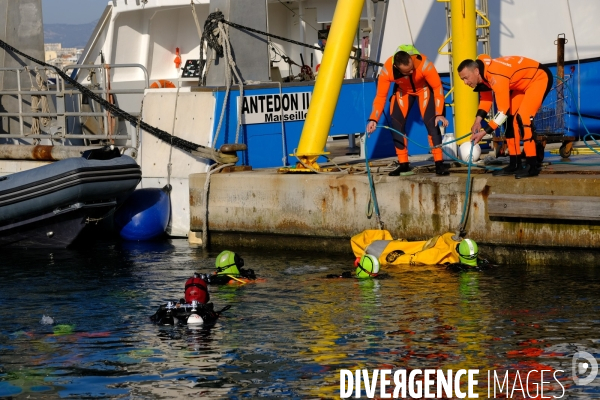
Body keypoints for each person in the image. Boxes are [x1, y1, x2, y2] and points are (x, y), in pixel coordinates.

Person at [457, 55, 553, 178]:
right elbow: (486, 100)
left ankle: (531, 165)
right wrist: (477, 121)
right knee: (510, 120)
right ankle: (515, 163)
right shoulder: (482, 75)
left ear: (476, 71)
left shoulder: (495, 76)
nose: (465, 82)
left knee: (523, 118)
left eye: (466, 78)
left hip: (538, 78)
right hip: (522, 84)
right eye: (462, 80)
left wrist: (484, 132)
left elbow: (502, 111)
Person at [366, 46, 449, 176]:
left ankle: (439, 163)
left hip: (424, 90)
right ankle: (403, 164)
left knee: (432, 123)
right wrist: (373, 119)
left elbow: (437, 88)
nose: (411, 72)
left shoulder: (424, 64)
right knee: (396, 123)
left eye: (412, 69)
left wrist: (439, 113)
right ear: (397, 68)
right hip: (403, 91)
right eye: (407, 71)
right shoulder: (387, 70)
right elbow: (380, 96)